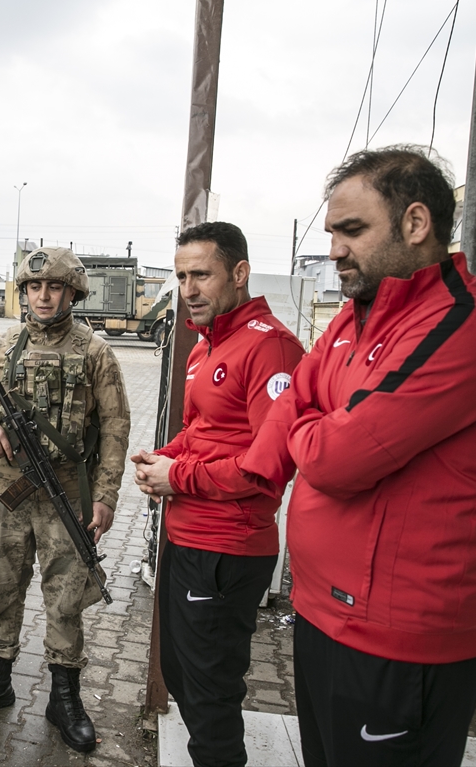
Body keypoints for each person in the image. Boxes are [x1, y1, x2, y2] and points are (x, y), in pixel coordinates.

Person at [243, 146, 476, 767]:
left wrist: (315, 423)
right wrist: (316, 418)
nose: (334, 250)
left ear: (415, 223)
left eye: (352, 231)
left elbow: (337, 458)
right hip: (324, 616)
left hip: (400, 645)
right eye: (332, 233)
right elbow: (294, 400)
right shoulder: (357, 318)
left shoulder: (472, 324)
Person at [132, 222, 304, 767]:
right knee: (183, 675)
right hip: (186, 540)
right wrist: (164, 456)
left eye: (201, 274)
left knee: (210, 696)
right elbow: (202, 429)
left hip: (226, 550)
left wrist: (176, 477)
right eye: (181, 276)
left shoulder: (271, 349)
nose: (188, 288)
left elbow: (269, 467)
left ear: (239, 273)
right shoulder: (206, 346)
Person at [0, 247, 130, 753]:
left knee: (67, 594)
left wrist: (107, 495)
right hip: (10, 489)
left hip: (69, 492)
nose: (43, 296)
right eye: (33, 287)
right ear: (23, 292)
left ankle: (64, 696)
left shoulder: (95, 352)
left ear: (72, 292)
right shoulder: (2, 345)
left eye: (54, 287)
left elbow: (115, 427)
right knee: (0, 584)